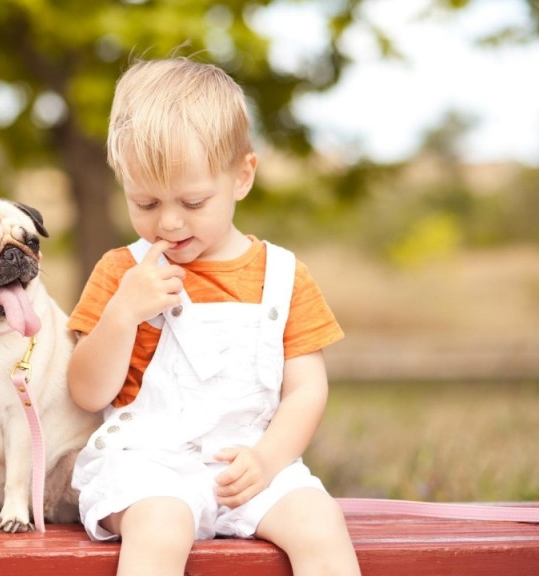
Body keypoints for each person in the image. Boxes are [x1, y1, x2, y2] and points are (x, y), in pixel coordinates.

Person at [66, 57, 361, 576]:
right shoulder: (122, 272)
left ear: (242, 177)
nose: (170, 222)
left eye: (193, 201)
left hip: (249, 462)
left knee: (319, 523)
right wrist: (122, 315)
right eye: (146, 202)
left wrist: (269, 459)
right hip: (147, 466)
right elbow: (88, 393)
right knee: (160, 528)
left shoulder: (283, 276)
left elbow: (306, 390)